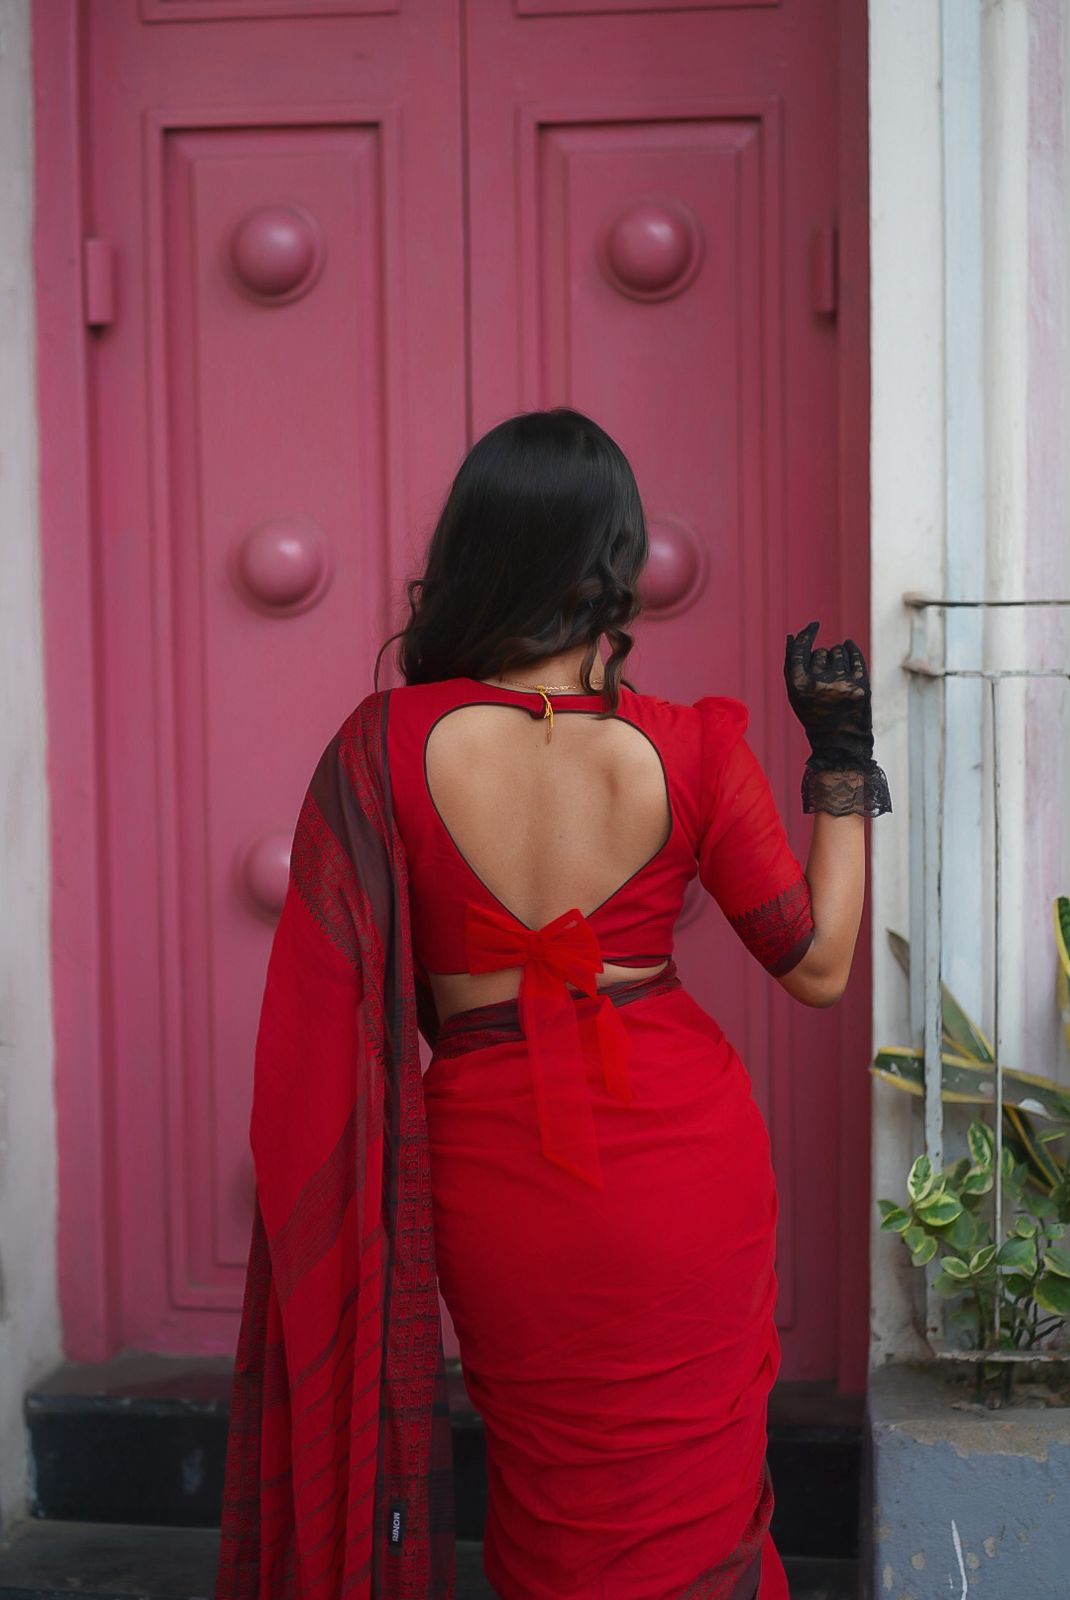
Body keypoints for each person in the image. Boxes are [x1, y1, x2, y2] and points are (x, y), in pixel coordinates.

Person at [214, 408, 891, 1600]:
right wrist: (838, 754)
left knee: (550, 1494)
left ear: (473, 551)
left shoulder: (381, 748)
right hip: (687, 1160)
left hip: (493, 1163)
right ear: (616, 565)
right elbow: (819, 964)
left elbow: (327, 1023)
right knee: (695, 1500)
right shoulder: (689, 749)